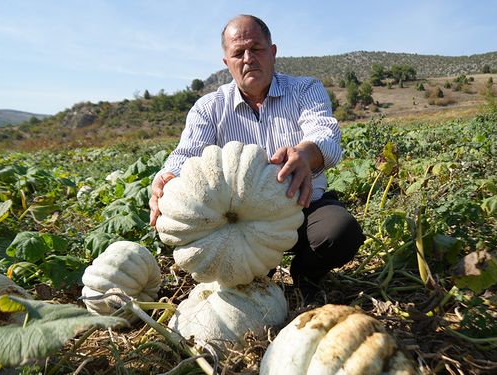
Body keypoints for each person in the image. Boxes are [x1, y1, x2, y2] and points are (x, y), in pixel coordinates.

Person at [149, 14, 364, 291]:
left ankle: (305, 277)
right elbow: (186, 154)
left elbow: (326, 135)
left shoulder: (304, 90)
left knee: (339, 232)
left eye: (257, 49)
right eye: (238, 52)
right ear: (227, 63)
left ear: (272, 52)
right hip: (234, 223)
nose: (248, 58)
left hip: (302, 206)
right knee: (235, 267)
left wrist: (305, 153)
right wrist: (166, 177)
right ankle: (258, 280)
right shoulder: (208, 108)